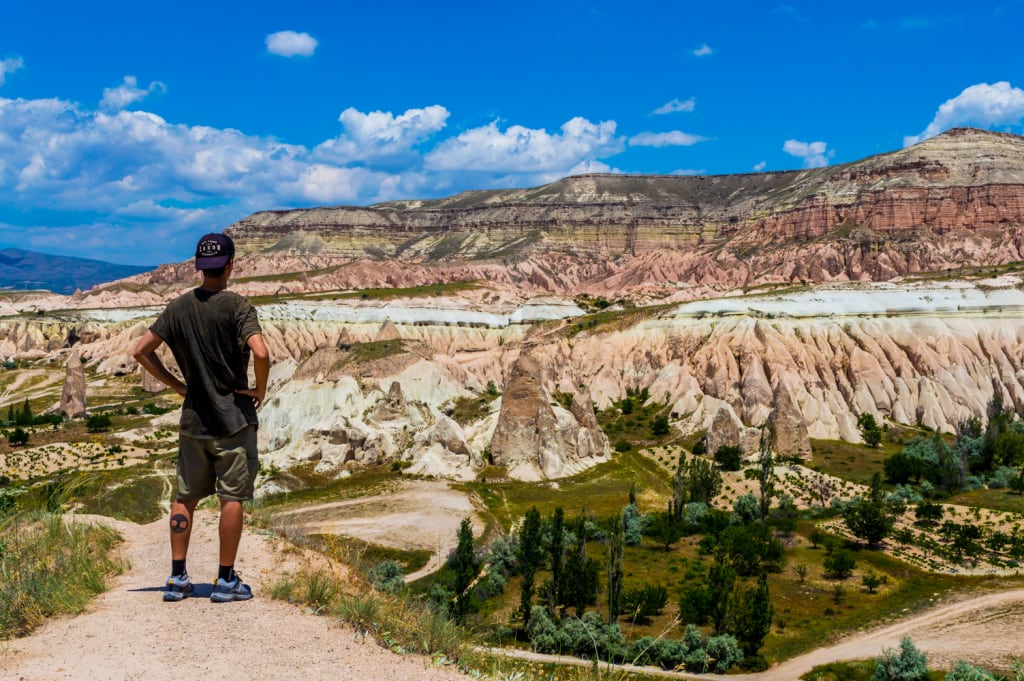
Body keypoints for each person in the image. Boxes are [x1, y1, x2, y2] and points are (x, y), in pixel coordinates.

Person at [132, 232, 270, 603]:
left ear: (198, 266)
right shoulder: (237, 306)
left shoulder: (179, 307)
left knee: (185, 497)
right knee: (232, 497)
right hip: (233, 423)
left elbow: (141, 351)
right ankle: (226, 581)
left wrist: (178, 385)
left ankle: (177, 577)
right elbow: (261, 351)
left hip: (193, 421)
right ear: (230, 265)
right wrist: (260, 388)